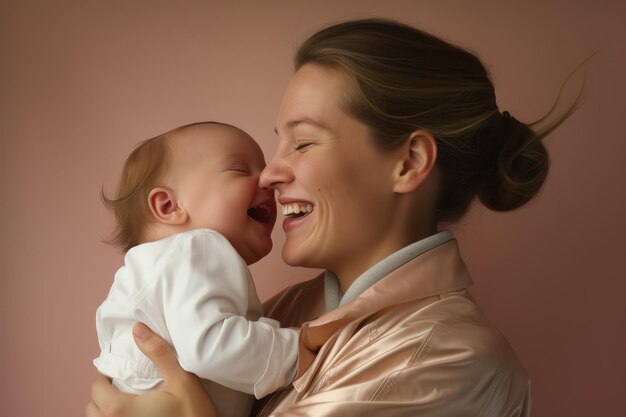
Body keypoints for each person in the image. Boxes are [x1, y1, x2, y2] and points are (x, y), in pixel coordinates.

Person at [87, 18, 579, 417]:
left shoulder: (443, 359)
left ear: (408, 163)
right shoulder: (286, 311)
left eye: (301, 142)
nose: (271, 174)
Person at [92, 122, 299, 417]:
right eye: (241, 170)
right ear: (168, 206)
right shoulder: (199, 247)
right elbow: (210, 346)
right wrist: (299, 348)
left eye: (262, 168)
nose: (267, 180)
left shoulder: (162, 267)